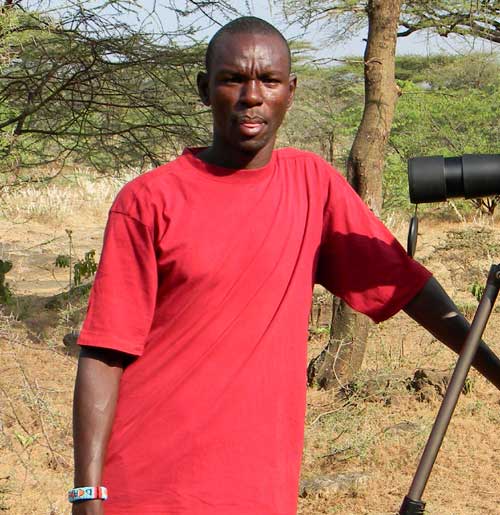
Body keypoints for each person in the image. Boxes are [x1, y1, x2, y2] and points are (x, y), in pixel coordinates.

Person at [71, 16, 500, 515]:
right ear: (205, 89)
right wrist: (87, 491)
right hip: (149, 488)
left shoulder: (312, 186)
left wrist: (493, 370)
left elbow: (407, 287)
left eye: (269, 81)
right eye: (233, 79)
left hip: (260, 489)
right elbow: (105, 352)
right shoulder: (148, 200)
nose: (252, 96)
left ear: (290, 91)